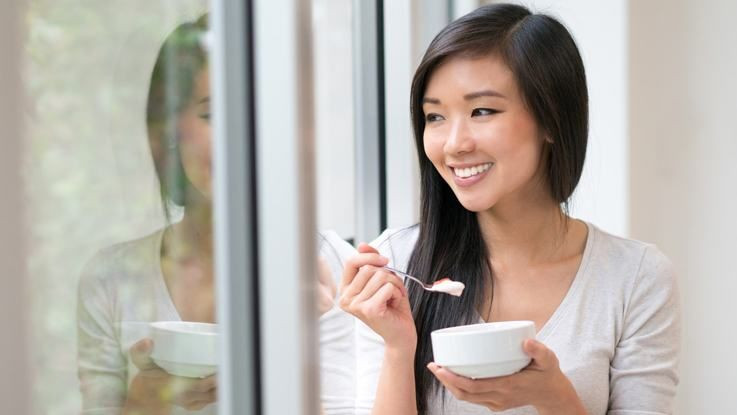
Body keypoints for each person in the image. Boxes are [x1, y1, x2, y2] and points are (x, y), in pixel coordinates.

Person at [338, 4, 680, 415]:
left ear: (551, 119)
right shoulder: (395, 265)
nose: (454, 144)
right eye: (435, 116)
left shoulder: (634, 278)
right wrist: (397, 347)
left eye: (482, 111)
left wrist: (554, 396)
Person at [77, 14, 340, 414]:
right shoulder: (111, 280)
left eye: (259, 115)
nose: (240, 135)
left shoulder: (335, 270)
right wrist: (142, 405)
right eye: (212, 114)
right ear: (167, 132)